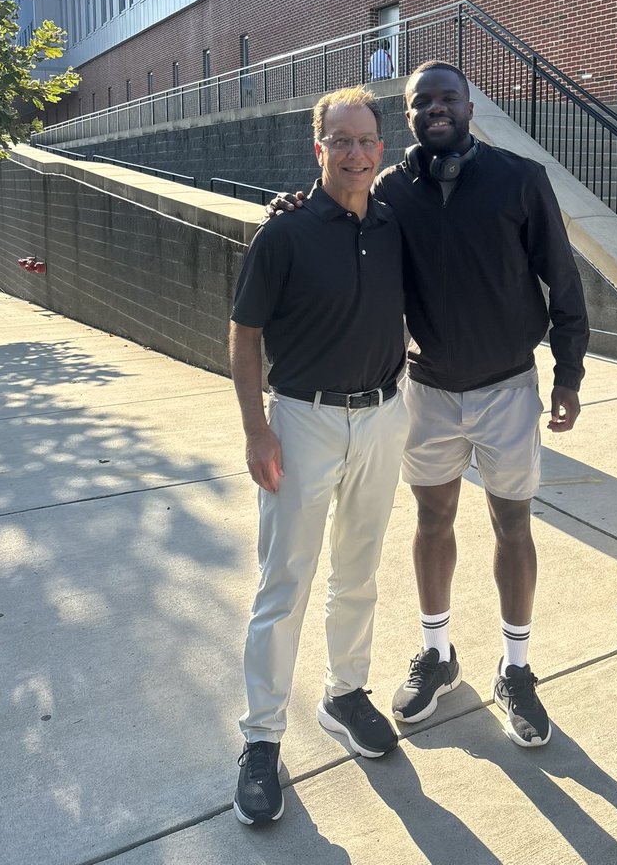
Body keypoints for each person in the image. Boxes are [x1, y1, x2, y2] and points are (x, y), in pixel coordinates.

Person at [270, 61, 589, 750]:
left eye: (447, 97)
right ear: (408, 116)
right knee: (432, 518)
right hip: (428, 390)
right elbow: (341, 216)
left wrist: (568, 374)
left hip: (508, 388)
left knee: (513, 525)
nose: (435, 108)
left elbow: (562, 281)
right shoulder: (390, 190)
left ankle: (517, 669)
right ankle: (438, 654)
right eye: (421, 102)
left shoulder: (520, 179)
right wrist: (293, 206)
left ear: (469, 104)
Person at [229, 85, 409, 826]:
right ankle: (263, 741)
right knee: (285, 583)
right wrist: (256, 429)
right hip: (301, 422)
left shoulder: (396, 224)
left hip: (382, 417)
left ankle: (345, 692)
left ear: (381, 148)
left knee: (359, 571)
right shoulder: (286, 233)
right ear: (319, 149)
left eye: (367, 140)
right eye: (342, 141)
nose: (356, 153)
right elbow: (244, 336)